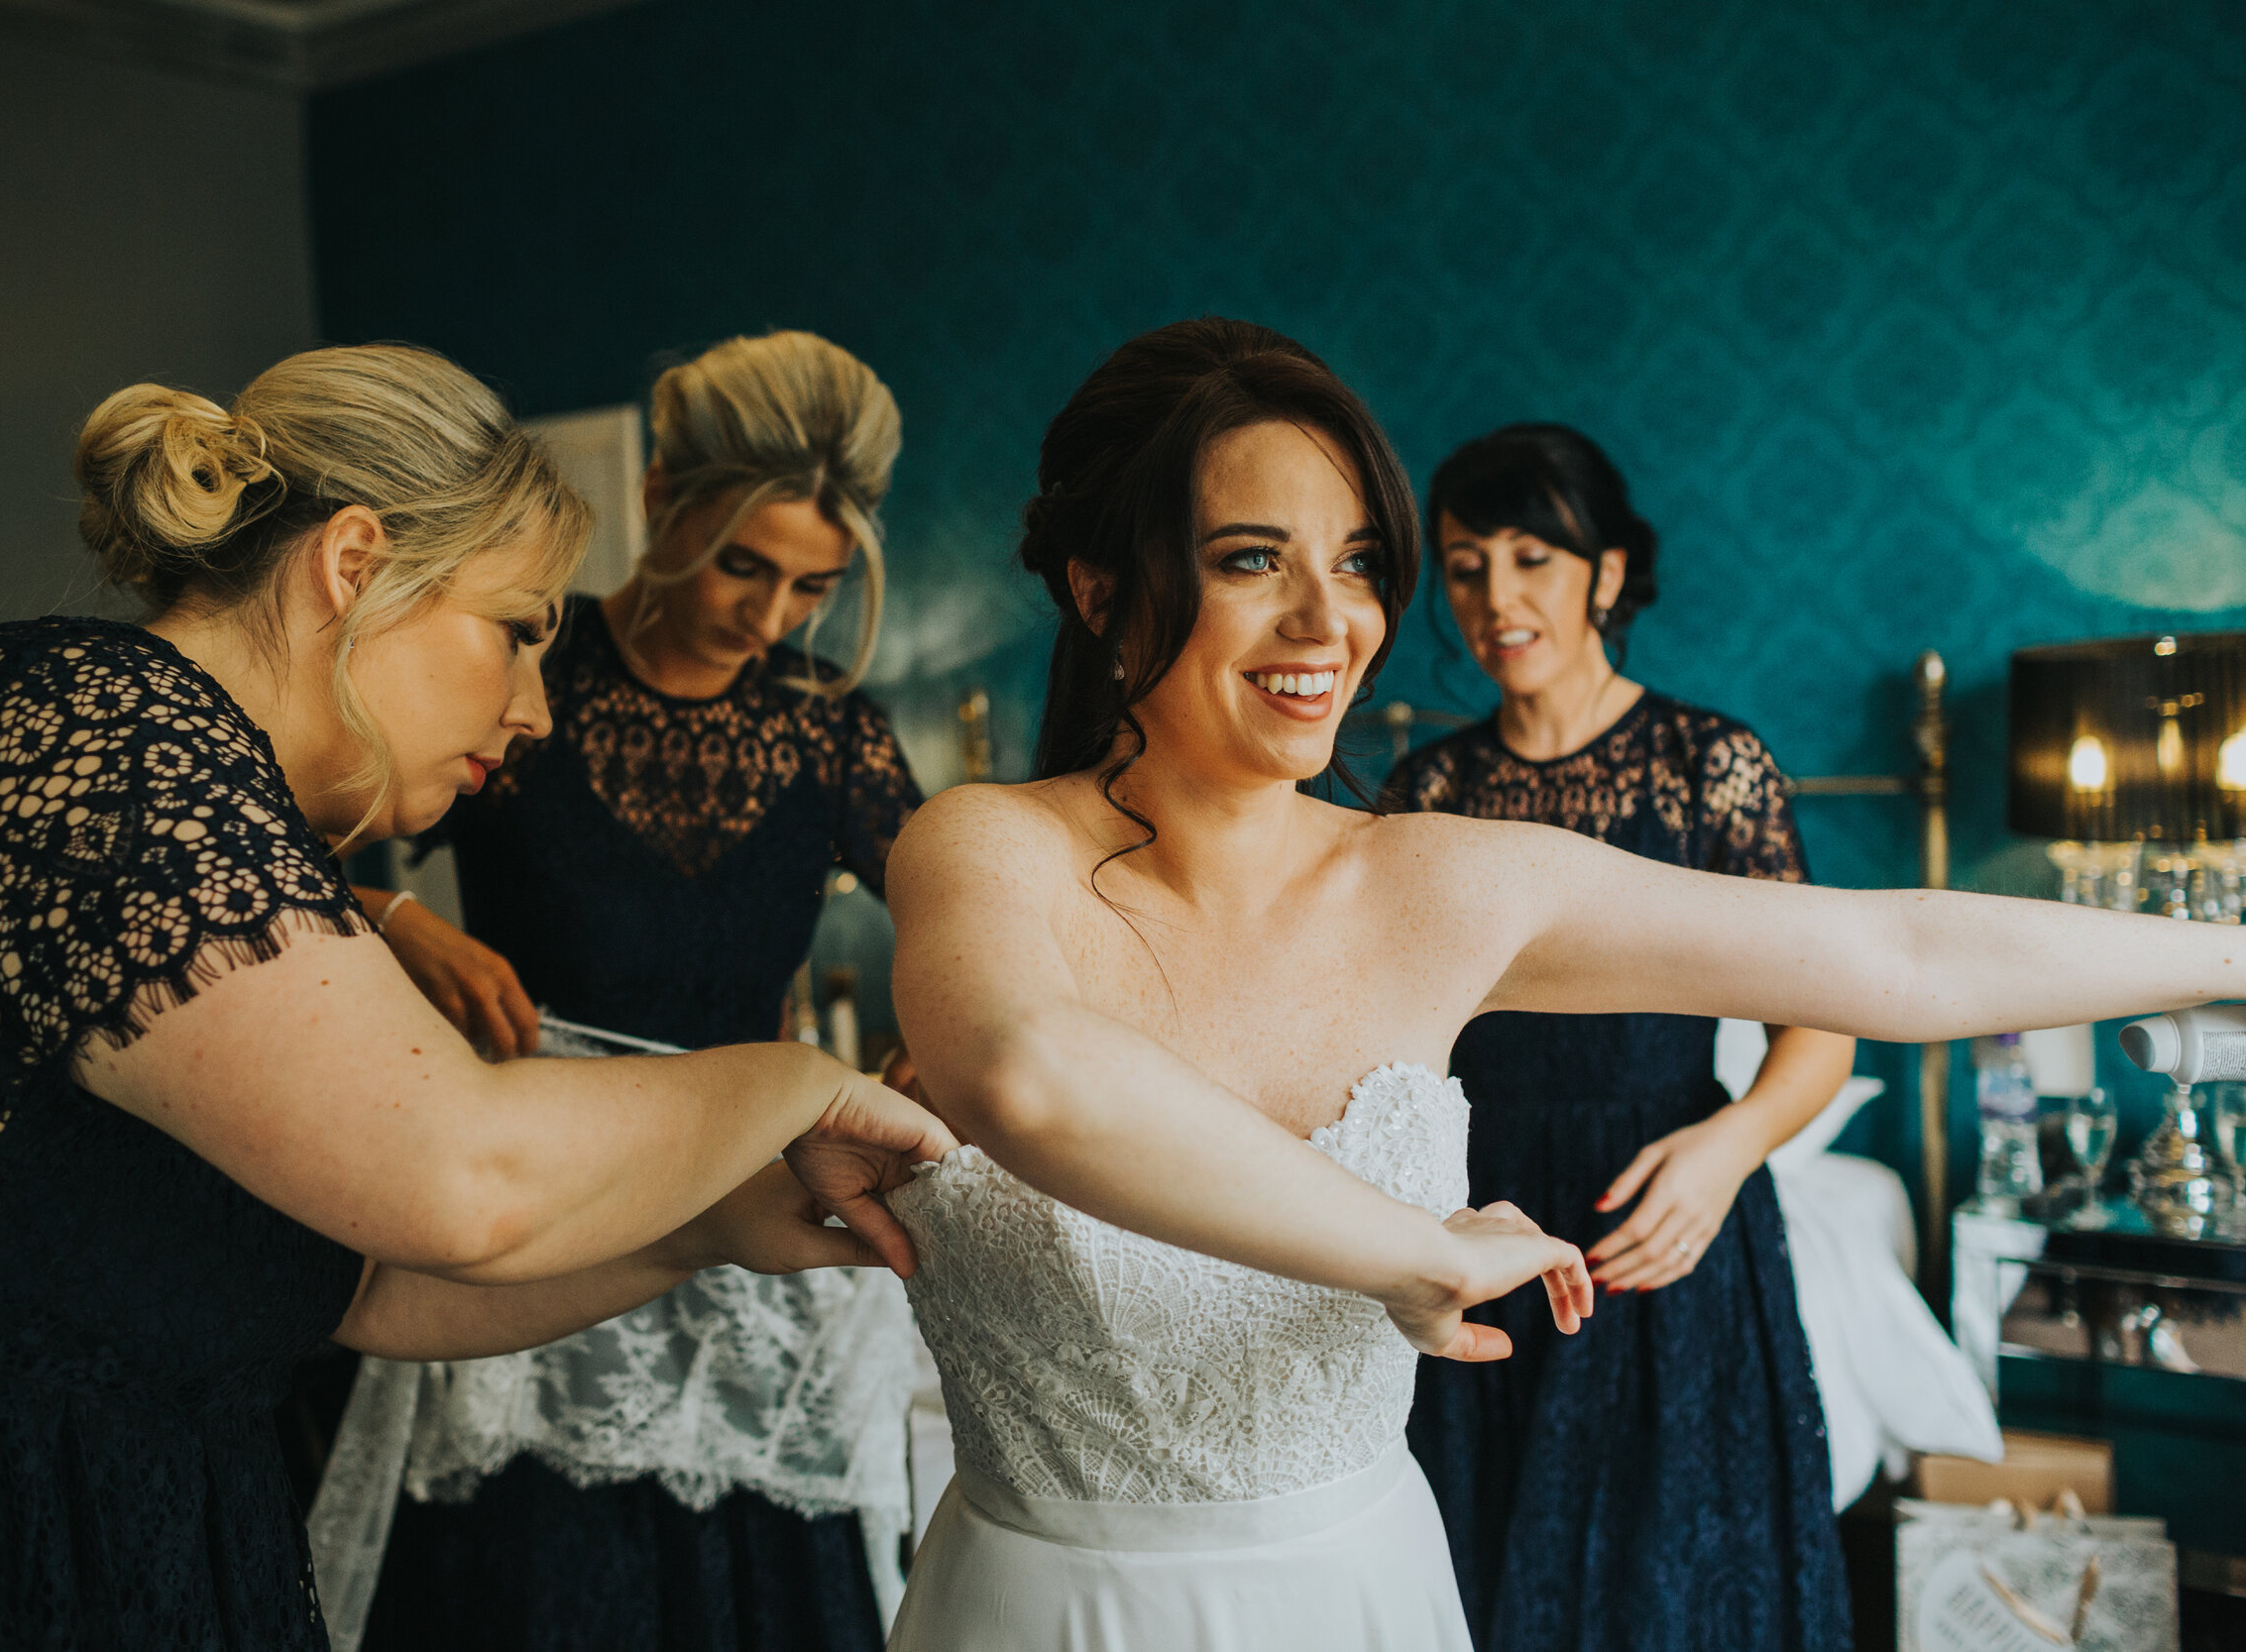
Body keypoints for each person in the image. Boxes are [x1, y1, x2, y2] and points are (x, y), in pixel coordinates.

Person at [877, 317, 2246, 1652]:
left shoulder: (1443, 877)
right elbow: (1030, 1075)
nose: (1331, 619)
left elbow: (1903, 951)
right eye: (1250, 558)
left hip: (1357, 1591)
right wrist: (1419, 1249)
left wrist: (2235, 953)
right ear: (1096, 585)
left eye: (1359, 562)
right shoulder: (984, 848)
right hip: (1042, 1603)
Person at [0, 343, 951, 1652]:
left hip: (94, 1515)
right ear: (353, 563)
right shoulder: (102, 740)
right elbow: (460, 1177)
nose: (535, 710)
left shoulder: (203, 787)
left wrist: (715, 1225)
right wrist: (792, 1079)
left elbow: (365, 1285)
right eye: (514, 631)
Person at [334, 331, 923, 1652]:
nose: (769, 617)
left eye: (810, 587)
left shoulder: (830, 726)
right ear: (662, 501)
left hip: (751, 1223)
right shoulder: (527, 666)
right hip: (538, 1217)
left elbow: (965, 942)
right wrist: (399, 918)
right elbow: (283, 844)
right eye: (743, 565)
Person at [1384, 423, 1855, 1651]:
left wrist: (1726, 1148)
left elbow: (1824, 1031)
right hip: (1478, 1217)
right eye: (1467, 563)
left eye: (1532, 557)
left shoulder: (1714, 769)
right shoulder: (1426, 794)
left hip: (1664, 1211)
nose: (1494, 596)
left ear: (1603, 574)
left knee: (1677, 1576)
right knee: (1483, 1567)